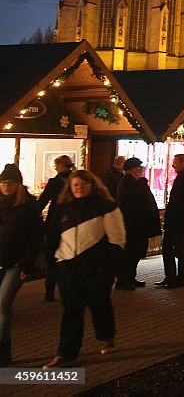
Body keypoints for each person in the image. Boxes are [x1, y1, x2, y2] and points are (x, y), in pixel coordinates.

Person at [42, 170, 126, 368]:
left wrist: (108, 268)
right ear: (70, 187)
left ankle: (106, 336)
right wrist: (54, 263)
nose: (79, 187)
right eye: (75, 184)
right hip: (68, 267)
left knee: (100, 305)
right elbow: (52, 237)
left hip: (96, 269)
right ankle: (66, 353)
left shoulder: (106, 207)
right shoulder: (62, 209)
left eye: (83, 184)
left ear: (92, 185)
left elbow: (117, 239)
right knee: (71, 310)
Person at [0, 164, 44, 366]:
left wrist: (26, 264)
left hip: (16, 264)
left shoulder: (27, 206)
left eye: (10, 182)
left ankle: (3, 354)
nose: (6, 186)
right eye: (3, 182)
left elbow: (35, 238)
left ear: (18, 184)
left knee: (2, 305)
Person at [115, 158, 161, 290]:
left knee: (136, 253)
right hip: (132, 224)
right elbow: (129, 204)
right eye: (138, 167)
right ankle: (123, 280)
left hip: (140, 225)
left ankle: (131, 277)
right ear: (132, 170)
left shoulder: (138, 182)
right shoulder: (126, 183)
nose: (141, 169)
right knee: (129, 253)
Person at [38, 154, 74, 302]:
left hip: (55, 222)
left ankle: (50, 291)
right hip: (72, 221)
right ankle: (69, 288)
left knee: (52, 256)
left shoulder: (54, 182)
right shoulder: (75, 179)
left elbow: (42, 201)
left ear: (61, 165)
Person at [158, 154, 184, 288]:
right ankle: (171, 277)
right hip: (175, 219)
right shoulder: (182, 177)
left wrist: (178, 207)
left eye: (175, 162)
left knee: (177, 250)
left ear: (183, 163)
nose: (173, 165)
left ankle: (179, 279)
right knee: (168, 249)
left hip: (177, 220)